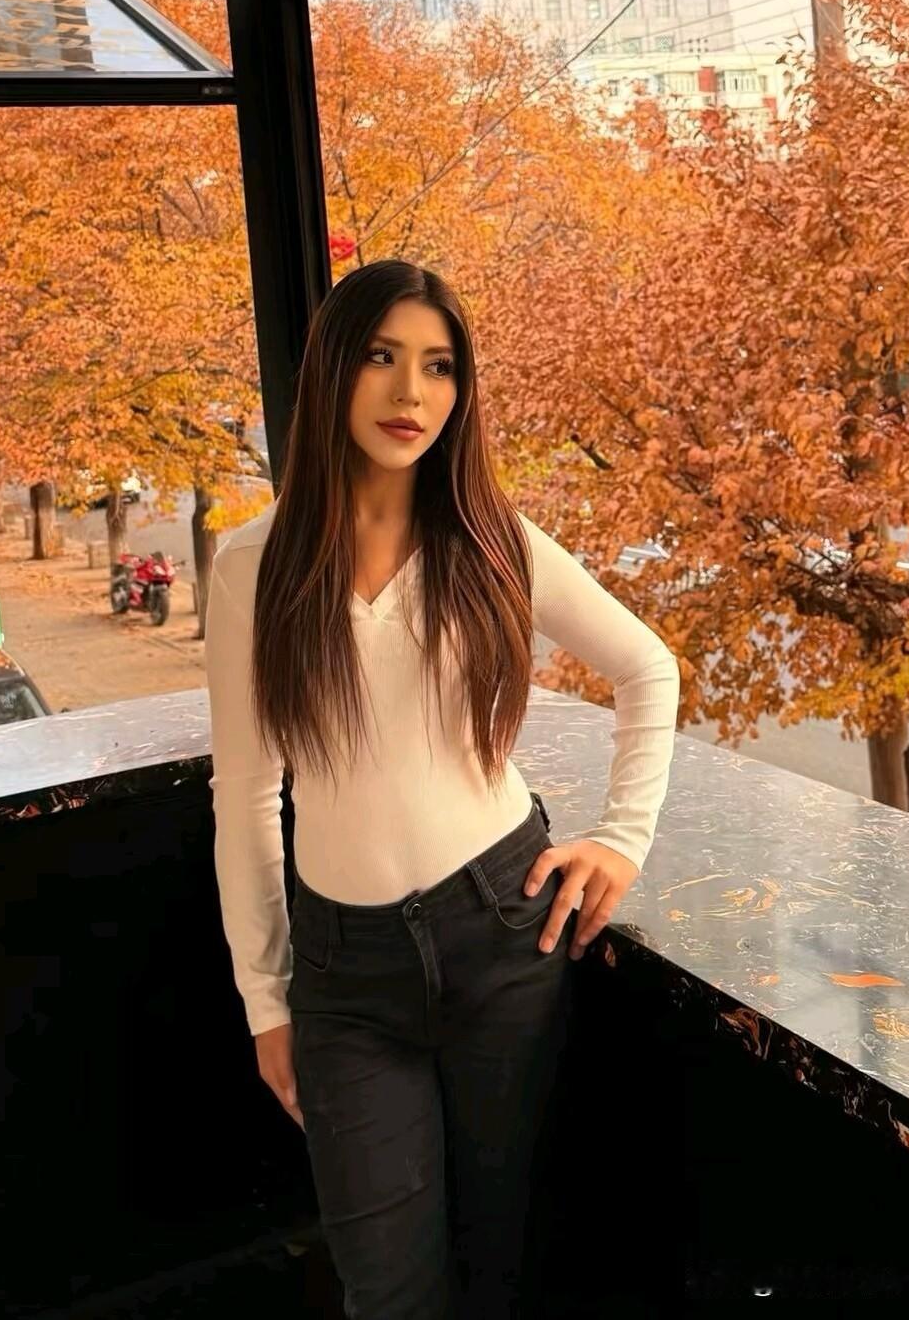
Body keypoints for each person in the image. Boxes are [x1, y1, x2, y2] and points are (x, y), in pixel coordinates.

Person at [204, 259, 681, 1319]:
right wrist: (266, 1000)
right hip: (344, 975)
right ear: (333, 369)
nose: (410, 393)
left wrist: (622, 838)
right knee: (388, 1291)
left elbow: (649, 667)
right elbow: (245, 795)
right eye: (382, 357)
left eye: (439, 366)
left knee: (507, 1263)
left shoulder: (491, 539)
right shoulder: (253, 565)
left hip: (502, 930)